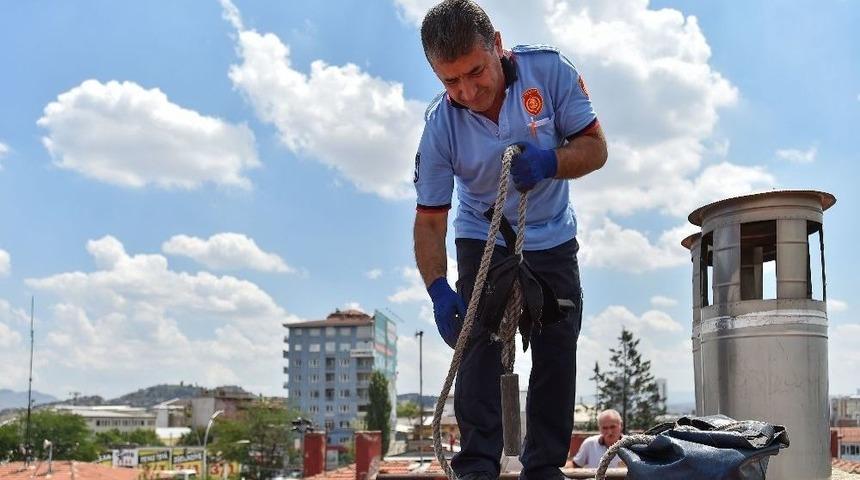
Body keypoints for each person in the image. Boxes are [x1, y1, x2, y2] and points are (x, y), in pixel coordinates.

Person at [412, 1, 607, 478]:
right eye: (450, 81)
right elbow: (430, 221)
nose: (467, 90)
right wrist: (438, 290)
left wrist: (550, 162)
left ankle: (543, 467)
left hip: (552, 233)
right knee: (477, 341)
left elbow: (596, 149)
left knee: (556, 346)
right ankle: (477, 465)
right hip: (483, 232)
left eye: (475, 72)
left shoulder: (551, 71)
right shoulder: (440, 125)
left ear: (496, 45)